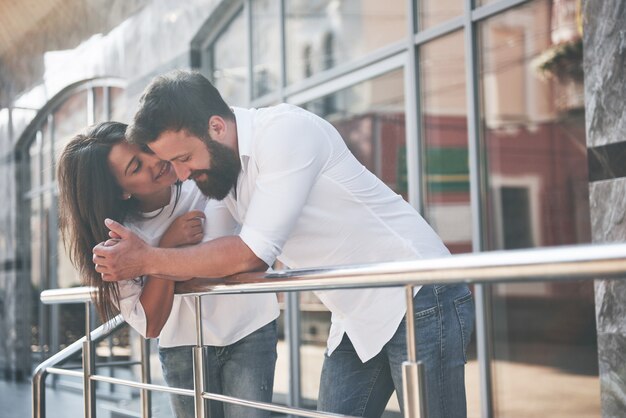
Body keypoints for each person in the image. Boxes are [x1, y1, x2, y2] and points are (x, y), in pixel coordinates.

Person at [93, 71, 475, 418]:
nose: (181, 174)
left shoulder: (284, 132)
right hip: (354, 314)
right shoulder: (225, 171)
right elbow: (240, 263)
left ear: (216, 126)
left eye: (184, 158)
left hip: (418, 291)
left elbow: (250, 255)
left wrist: (146, 260)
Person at [57, 121, 279, 418]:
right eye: (136, 167)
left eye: (146, 150)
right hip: (183, 349)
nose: (155, 162)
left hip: (250, 330)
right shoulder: (120, 235)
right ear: (120, 191)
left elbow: (242, 259)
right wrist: (168, 244)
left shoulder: (204, 181)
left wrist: (149, 261)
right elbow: (150, 324)